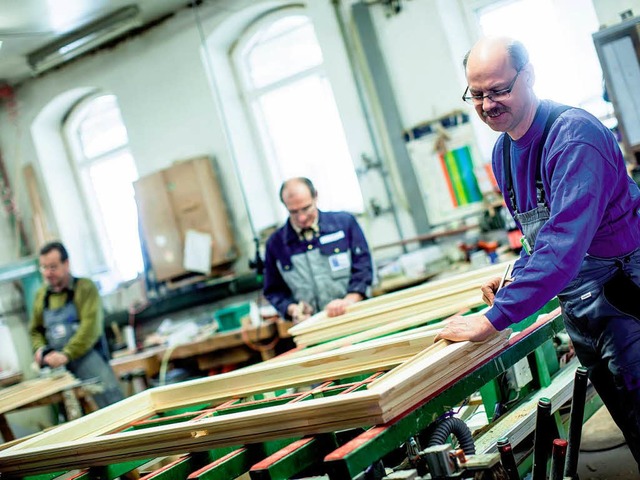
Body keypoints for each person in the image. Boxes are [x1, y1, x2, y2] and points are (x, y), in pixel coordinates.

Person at [435, 37, 640, 465]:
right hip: (581, 309)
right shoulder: (505, 151)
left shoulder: (573, 136)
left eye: (499, 90)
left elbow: (566, 242)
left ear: (528, 77)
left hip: (626, 300)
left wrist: (492, 320)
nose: (488, 104)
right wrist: (517, 274)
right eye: (478, 94)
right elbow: (542, 238)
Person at [263, 177, 374, 323]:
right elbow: (274, 290)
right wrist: (292, 309)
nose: (302, 217)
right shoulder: (276, 244)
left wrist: (349, 300)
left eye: (306, 208)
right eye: (294, 212)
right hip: (315, 327)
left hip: (355, 317)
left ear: (315, 196)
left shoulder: (344, 224)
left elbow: (363, 267)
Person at [30, 241, 124, 408]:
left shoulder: (85, 288)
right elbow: (36, 330)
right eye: (44, 268)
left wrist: (66, 354)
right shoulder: (41, 296)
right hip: (57, 368)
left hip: (86, 358)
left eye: (53, 267)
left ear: (66, 264)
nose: (48, 273)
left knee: (114, 405)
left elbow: (90, 328)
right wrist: (41, 350)